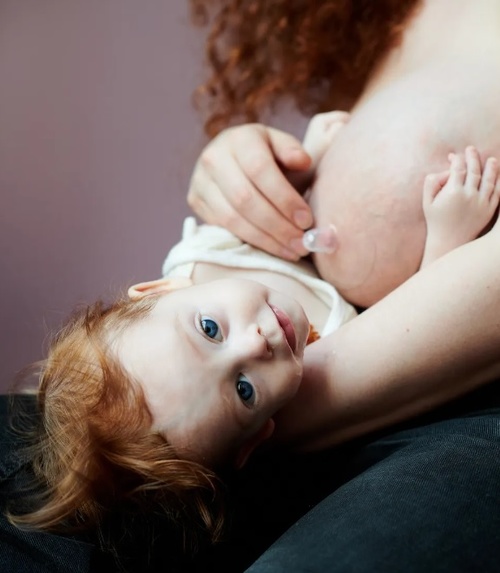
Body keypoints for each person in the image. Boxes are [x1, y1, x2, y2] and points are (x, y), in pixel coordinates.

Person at [6, 143, 498, 563]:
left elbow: (269, 198)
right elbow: (427, 316)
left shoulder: (209, 252)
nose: (255, 344)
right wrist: (447, 237)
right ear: (259, 435)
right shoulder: (335, 345)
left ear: (160, 289)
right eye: (243, 390)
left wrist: (314, 156)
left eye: (210, 329)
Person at [183, 0, 500, 570]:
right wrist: (241, 166)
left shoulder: (256, 397)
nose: (251, 341)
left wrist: (262, 416)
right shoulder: (388, 16)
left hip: (443, 403)